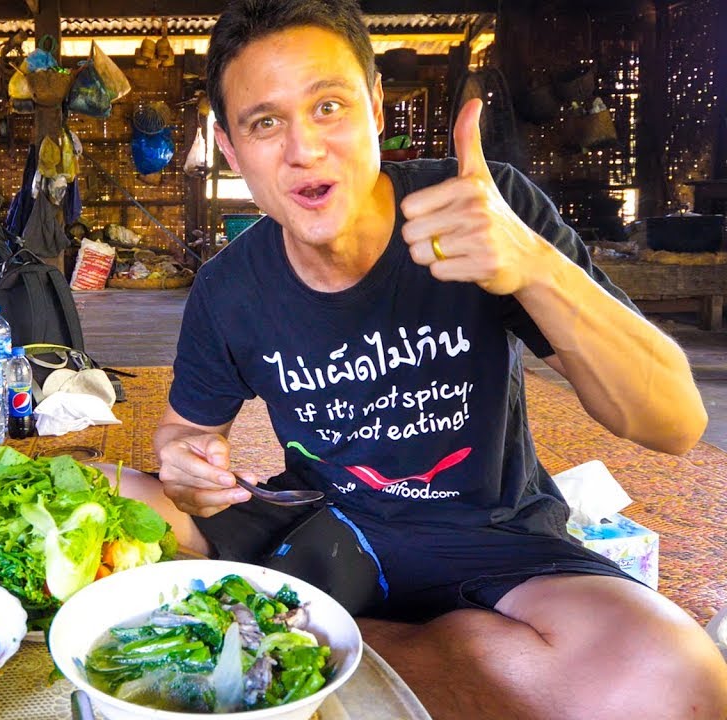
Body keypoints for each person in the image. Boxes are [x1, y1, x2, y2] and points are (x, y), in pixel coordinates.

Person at [125, 1, 727, 718]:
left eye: (328, 106)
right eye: (265, 123)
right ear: (229, 147)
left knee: (681, 680)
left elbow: (675, 423)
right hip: (322, 524)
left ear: (376, 108)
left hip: (492, 542)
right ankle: (431, 658)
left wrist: (537, 268)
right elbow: (182, 434)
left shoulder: (483, 211)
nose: (304, 149)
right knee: (103, 498)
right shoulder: (229, 287)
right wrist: (186, 466)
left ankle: (327, 642)